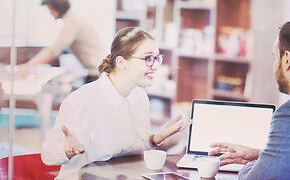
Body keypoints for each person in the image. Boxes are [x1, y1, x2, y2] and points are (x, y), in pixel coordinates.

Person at [41, 27, 191, 180]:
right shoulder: (81, 100)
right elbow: (47, 155)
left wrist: (156, 138)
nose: (155, 65)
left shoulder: (140, 97)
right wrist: (67, 151)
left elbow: (132, 152)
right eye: (148, 58)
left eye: (157, 58)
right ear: (121, 62)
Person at [208, 19, 290, 179]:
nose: (274, 66)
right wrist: (262, 155)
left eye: (275, 58)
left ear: (287, 59)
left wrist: (252, 166)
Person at [18, 0, 106, 83]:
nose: (50, 13)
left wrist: (28, 66)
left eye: (50, 9)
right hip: (96, 72)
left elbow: (54, 50)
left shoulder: (72, 23)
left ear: (57, 8)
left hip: (96, 74)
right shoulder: (73, 20)